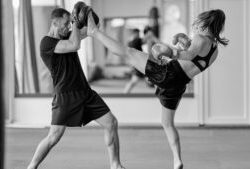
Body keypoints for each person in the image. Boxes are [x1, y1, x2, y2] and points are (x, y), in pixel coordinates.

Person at [87, 9, 228, 169]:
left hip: (168, 74)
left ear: (205, 22)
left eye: (199, 22)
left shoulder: (200, 38)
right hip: (179, 84)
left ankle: (94, 32)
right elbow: (195, 58)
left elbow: (188, 56)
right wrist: (185, 44)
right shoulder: (214, 49)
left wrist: (168, 52)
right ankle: (177, 160)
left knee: (129, 52)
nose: (196, 26)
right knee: (167, 123)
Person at [27, 8, 125, 169]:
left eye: (69, 23)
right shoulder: (46, 43)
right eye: (66, 24)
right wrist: (75, 23)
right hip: (65, 96)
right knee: (54, 136)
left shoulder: (68, 34)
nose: (68, 27)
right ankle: (31, 167)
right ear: (54, 22)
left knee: (111, 123)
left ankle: (115, 164)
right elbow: (74, 45)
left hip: (85, 92)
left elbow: (92, 29)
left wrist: (87, 16)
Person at [123, 28, 153, 93]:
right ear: (135, 33)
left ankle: (125, 93)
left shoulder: (129, 42)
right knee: (135, 80)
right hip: (140, 64)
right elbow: (145, 40)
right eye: (138, 33)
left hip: (137, 64)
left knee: (137, 80)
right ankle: (125, 93)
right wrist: (149, 33)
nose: (139, 35)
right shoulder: (136, 40)